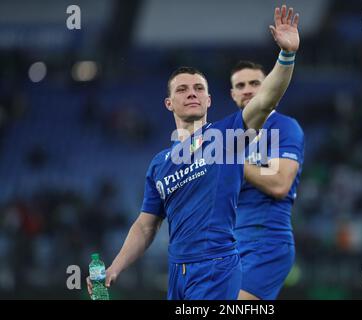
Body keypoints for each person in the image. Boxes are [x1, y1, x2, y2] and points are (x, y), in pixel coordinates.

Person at [87, 5, 300, 300]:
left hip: (217, 268)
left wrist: (286, 55)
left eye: (199, 89)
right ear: (168, 103)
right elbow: (146, 226)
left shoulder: (228, 136)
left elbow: (265, 100)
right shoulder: (159, 164)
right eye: (183, 89)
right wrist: (115, 267)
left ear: (209, 100)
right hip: (177, 273)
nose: (191, 93)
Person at [230, 59, 304, 300]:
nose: (247, 89)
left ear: (270, 87)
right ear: (233, 94)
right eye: (240, 85)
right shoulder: (229, 136)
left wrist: (231, 161)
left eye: (255, 83)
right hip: (230, 248)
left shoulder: (284, 127)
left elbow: (280, 183)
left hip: (266, 243)